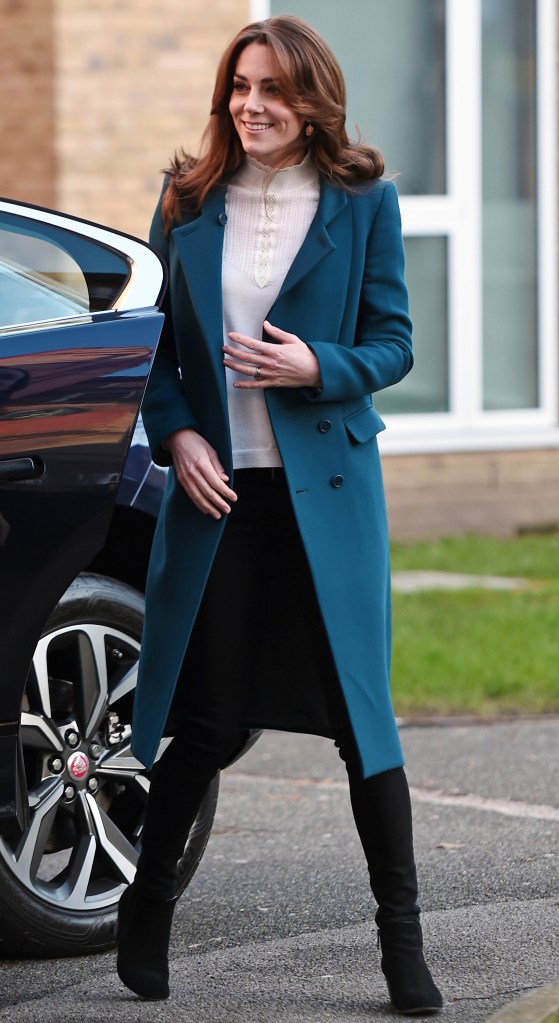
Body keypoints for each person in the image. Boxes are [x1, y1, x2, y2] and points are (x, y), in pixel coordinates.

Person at [116, 14, 443, 1015]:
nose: (251, 105)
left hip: (330, 501)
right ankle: (147, 908)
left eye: (273, 90)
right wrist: (180, 437)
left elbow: (393, 342)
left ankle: (403, 949)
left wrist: (318, 366)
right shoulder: (189, 199)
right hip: (225, 498)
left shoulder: (361, 200)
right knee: (207, 721)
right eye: (240, 87)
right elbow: (157, 353)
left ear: (313, 104)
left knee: (362, 724)